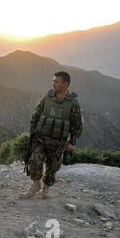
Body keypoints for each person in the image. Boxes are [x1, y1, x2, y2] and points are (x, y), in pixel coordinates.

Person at [21, 71, 83, 199]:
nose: (53, 84)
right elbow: (36, 114)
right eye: (53, 81)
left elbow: (77, 124)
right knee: (34, 161)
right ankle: (36, 185)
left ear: (65, 84)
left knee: (52, 167)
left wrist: (72, 142)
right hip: (41, 138)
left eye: (56, 81)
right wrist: (31, 131)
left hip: (58, 142)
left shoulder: (73, 103)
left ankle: (46, 190)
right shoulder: (47, 97)